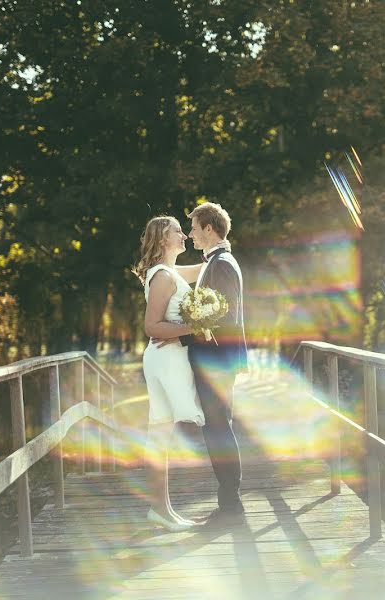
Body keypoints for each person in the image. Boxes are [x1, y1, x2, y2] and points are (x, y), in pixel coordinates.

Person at [174, 202, 248, 519]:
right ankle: (229, 500)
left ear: (208, 229)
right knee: (217, 427)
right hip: (216, 359)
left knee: (218, 429)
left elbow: (226, 317)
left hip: (217, 361)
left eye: (193, 228)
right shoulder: (214, 262)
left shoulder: (222, 264)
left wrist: (188, 331)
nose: (190, 234)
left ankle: (231, 502)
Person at [133, 216, 205, 532]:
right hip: (165, 359)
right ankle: (161, 510)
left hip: (167, 356)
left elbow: (204, 269)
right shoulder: (163, 276)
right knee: (161, 435)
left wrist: (220, 248)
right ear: (163, 238)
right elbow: (151, 327)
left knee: (160, 436)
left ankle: (163, 510)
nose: (184, 235)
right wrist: (198, 326)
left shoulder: (170, 272)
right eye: (178, 230)